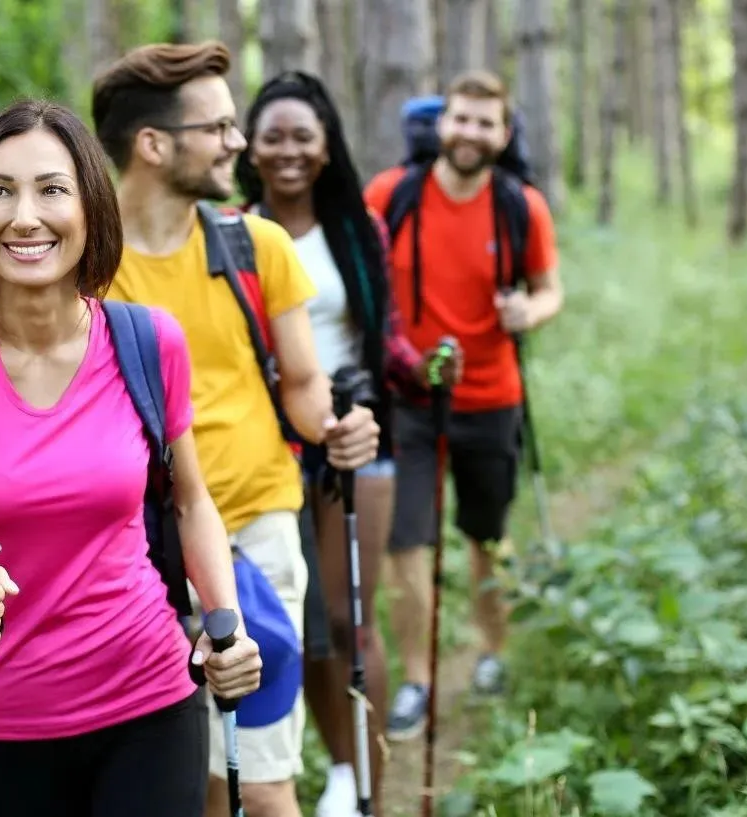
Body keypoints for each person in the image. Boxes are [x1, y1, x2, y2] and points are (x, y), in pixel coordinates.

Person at [0, 98, 263, 816]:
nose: (25, 216)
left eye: (51, 189)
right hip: (7, 712)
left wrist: (226, 624)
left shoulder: (149, 342)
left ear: (90, 210)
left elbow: (190, 502)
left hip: (151, 693)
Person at [90, 42, 382, 817]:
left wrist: (335, 428)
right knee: (183, 779)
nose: (238, 142)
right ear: (153, 145)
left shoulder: (259, 247)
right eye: (217, 127)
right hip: (128, 562)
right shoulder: (83, 264)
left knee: (258, 778)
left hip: (252, 534)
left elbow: (302, 386)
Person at [234, 69, 458, 817]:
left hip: (360, 434)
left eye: (304, 135)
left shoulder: (359, 229)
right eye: (274, 137)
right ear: (251, 148)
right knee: (295, 616)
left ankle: (362, 783)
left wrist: (423, 375)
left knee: (345, 613)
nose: (289, 150)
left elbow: (384, 332)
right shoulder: (231, 231)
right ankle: (330, 766)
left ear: (327, 146)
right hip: (269, 442)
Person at [363, 70, 564, 740]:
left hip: (491, 395)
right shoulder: (392, 195)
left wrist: (526, 311)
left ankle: (493, 653)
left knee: (486, 538)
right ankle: (417, 679)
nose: (471, 133)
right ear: (440, 123)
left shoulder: (520, 206)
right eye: (462, 119)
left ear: (505, 135)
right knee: (404, 542)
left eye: (486, 123)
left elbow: (549, 289)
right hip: (409, 397)